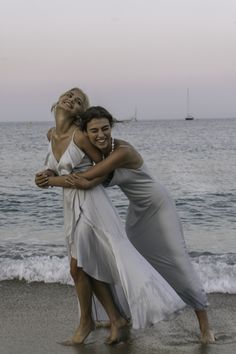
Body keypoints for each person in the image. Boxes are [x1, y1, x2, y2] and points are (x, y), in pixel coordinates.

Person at [52, 106, 215, 344]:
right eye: (94, 130)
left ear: (112, 128)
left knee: (178, 261)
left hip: (159, 208)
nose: (101, 135)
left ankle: (205, 326)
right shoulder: (96, 154)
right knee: (128, 262)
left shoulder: (122, 151)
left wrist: (48, 180)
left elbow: (87, 180)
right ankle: (122, 315)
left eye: (105, 129)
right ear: (85, 134)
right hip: (136, 211)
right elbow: (81, 173)